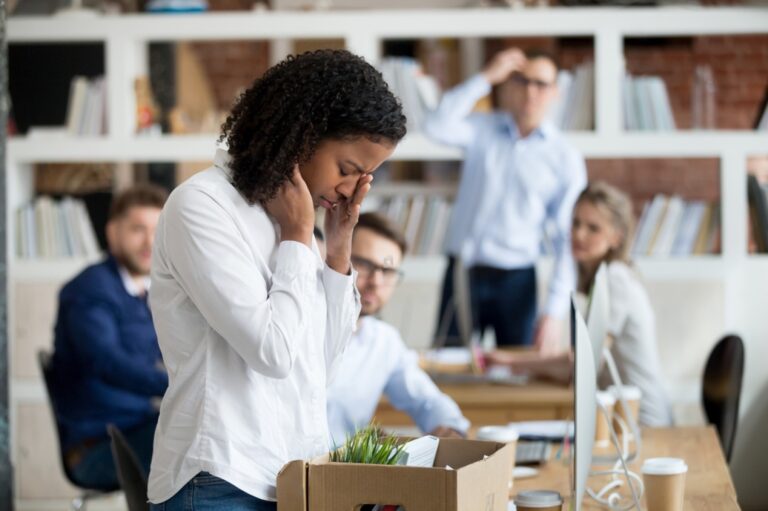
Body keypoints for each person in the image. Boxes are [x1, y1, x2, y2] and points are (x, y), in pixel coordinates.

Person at [147, 50, 406, 511]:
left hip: (286, 478)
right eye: (347, 169)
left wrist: (339, 250)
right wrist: (297, 237)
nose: (351, 189)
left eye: (365, 177)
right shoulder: (202, 207)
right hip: (219, 480)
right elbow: (273, 353)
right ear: (300, 137)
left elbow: (318, 368)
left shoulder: (293, 220)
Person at [424, 47, 586, 352]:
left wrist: (554, 310)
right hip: (463, 272)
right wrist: (486, 77)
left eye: (540, 84)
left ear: (556, 93)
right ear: (510, 86)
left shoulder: (565, 157)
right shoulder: (482, 128)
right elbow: (435, 125)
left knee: (518, 377)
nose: (530, 91)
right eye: (522, 81)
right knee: (447, 366)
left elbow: (568, 236)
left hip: (517, 280)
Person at [487, 182, 673, 427]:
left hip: (643, 424)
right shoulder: (599, 279)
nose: (579, 234)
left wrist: (511, 362)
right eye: (575, 223)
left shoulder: (615, 279)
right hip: (619, 419)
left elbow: (583, 364)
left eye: (593, 228)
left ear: (616, 237)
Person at [49, 184, 169, 490]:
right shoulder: (89, 291)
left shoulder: (145, 290)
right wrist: (174, 384)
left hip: (136, 426)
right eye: (137, 230)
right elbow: (105, 361)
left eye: (158, 229)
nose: (150, 241)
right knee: (200, 439)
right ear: (113, 233)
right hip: (98, 446)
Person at [326, 213, 470, 444]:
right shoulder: (301, 323)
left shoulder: (383, 341)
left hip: (342, 473)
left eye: (388, 271)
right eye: (364, 264)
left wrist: (450, 427)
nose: (376, 281)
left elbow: (425, 400)